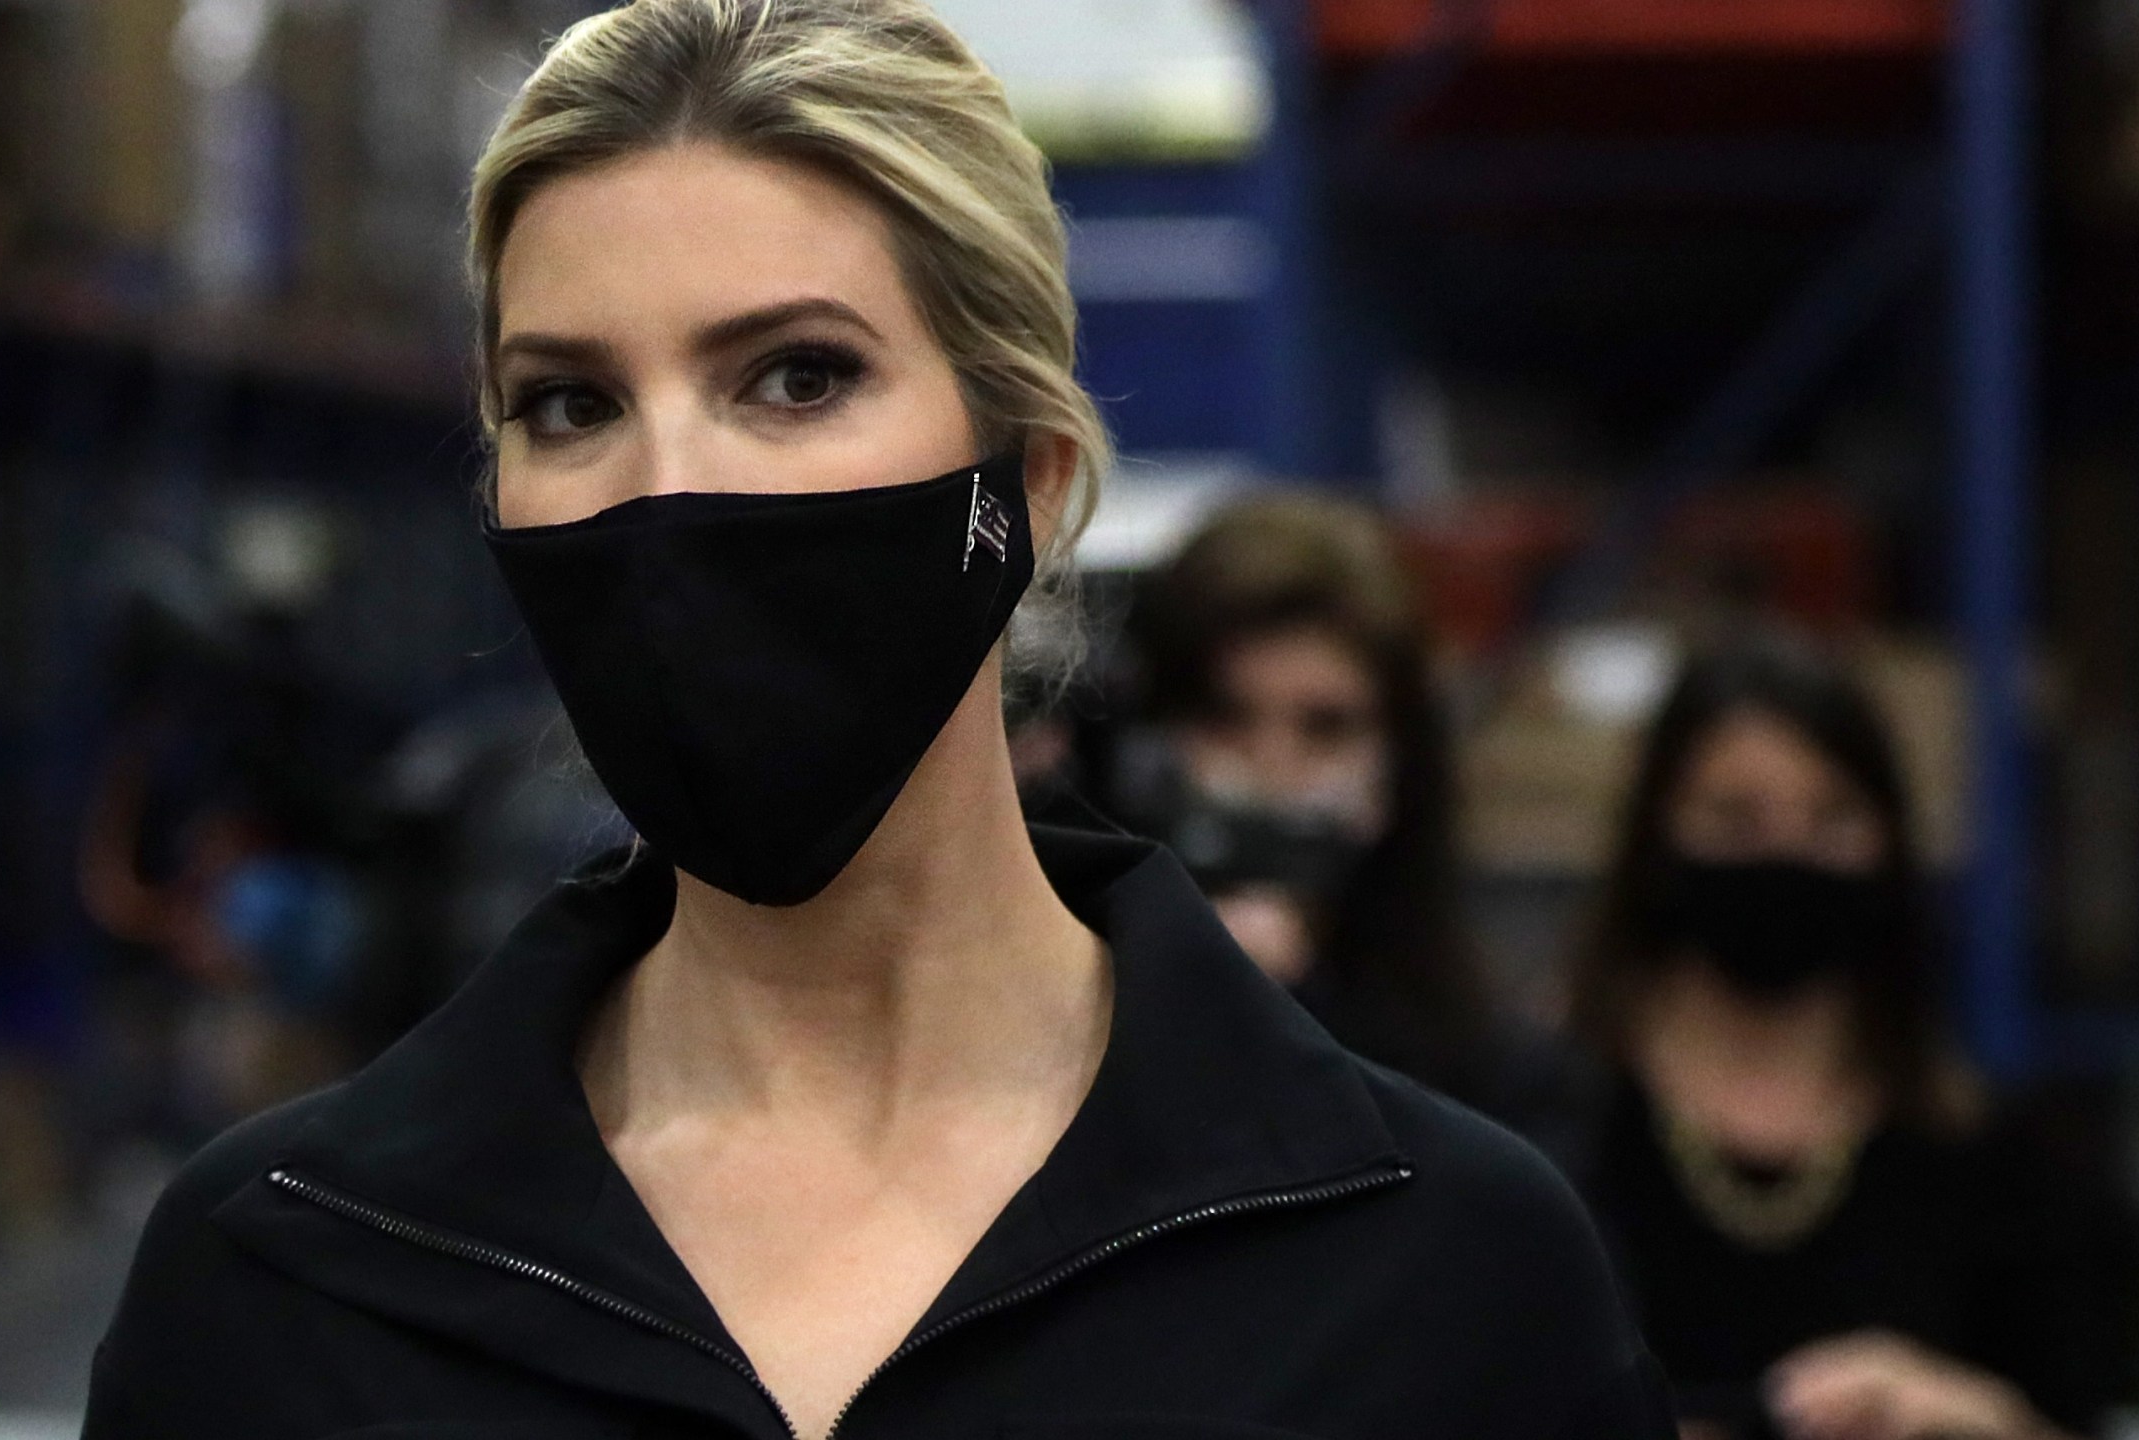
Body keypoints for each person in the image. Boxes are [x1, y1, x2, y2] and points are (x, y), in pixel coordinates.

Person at [85, 3, 1671, 1437]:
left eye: (795, 377)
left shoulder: (1438, 1273)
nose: (670, 489)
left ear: (1030, 485)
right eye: (569, 403)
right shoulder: (284, 1277)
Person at [1563, 634, 2130, 1440]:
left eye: (1833, 819)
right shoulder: (1546, 1133)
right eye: (1734, 817)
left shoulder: (2000, 1166)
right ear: (1654, 835)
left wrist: (1962, 1414)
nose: (1785, 855)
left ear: (1889, 844)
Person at [1123, 493, 1521, 1102]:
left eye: (1327, 726)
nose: (1271, 768)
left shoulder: (1481, 1060)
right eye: (1222, 716)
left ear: (1400, 753)